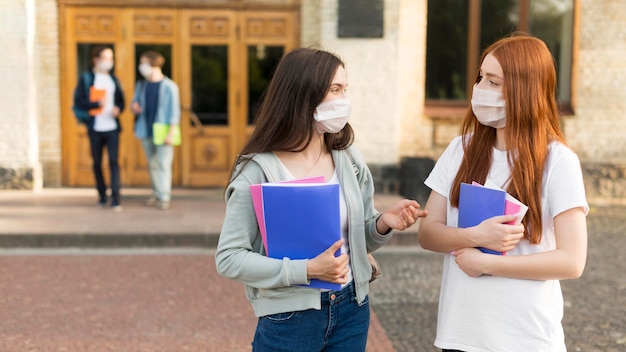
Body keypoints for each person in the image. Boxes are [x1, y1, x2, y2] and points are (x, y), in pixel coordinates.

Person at [215, 47, 428, 352]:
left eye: (346, 89)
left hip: (352, 307)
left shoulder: (349, 159)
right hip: (290, 318)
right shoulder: (256, 170)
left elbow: (358, 240)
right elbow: (229, 258)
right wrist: (306, 270)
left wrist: (382, 224)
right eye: (335, 89)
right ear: (304, 95)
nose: (345, 99)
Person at [417, 33, 588, 352]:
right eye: (481, 78)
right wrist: (474, 237)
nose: (480, 89)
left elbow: (571, 261)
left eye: (494, 82)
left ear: (525, 90)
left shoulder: (558, 161)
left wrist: (487, 264)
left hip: (526, 338)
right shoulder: (460, 150)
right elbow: (428, 233)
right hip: (461, 334)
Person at [72, 46, 125, 211]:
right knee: (97, 162)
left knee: (114, 162)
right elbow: (78, 101)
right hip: (95, 127)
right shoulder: (87, 78)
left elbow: (121, 101)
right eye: (105, 58)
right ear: (96, 59)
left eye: (111, 58)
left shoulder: (114, 80)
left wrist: (118, 109)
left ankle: (116, 197)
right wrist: (95, 104)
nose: (109, 62)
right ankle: (102, 195)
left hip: (112, 127)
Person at [130, 51, 180, 210]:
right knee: (152, 164)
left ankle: (164, 196)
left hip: (164, 131)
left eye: (143, 63)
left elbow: (174, 112)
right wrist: (135, 107)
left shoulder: (169, 86)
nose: (141, 67)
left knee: (164, 163)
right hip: (146, 129)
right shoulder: (141, 85)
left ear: (153, 63)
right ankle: (156, 192)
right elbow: (134, 104)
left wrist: (171, 133)